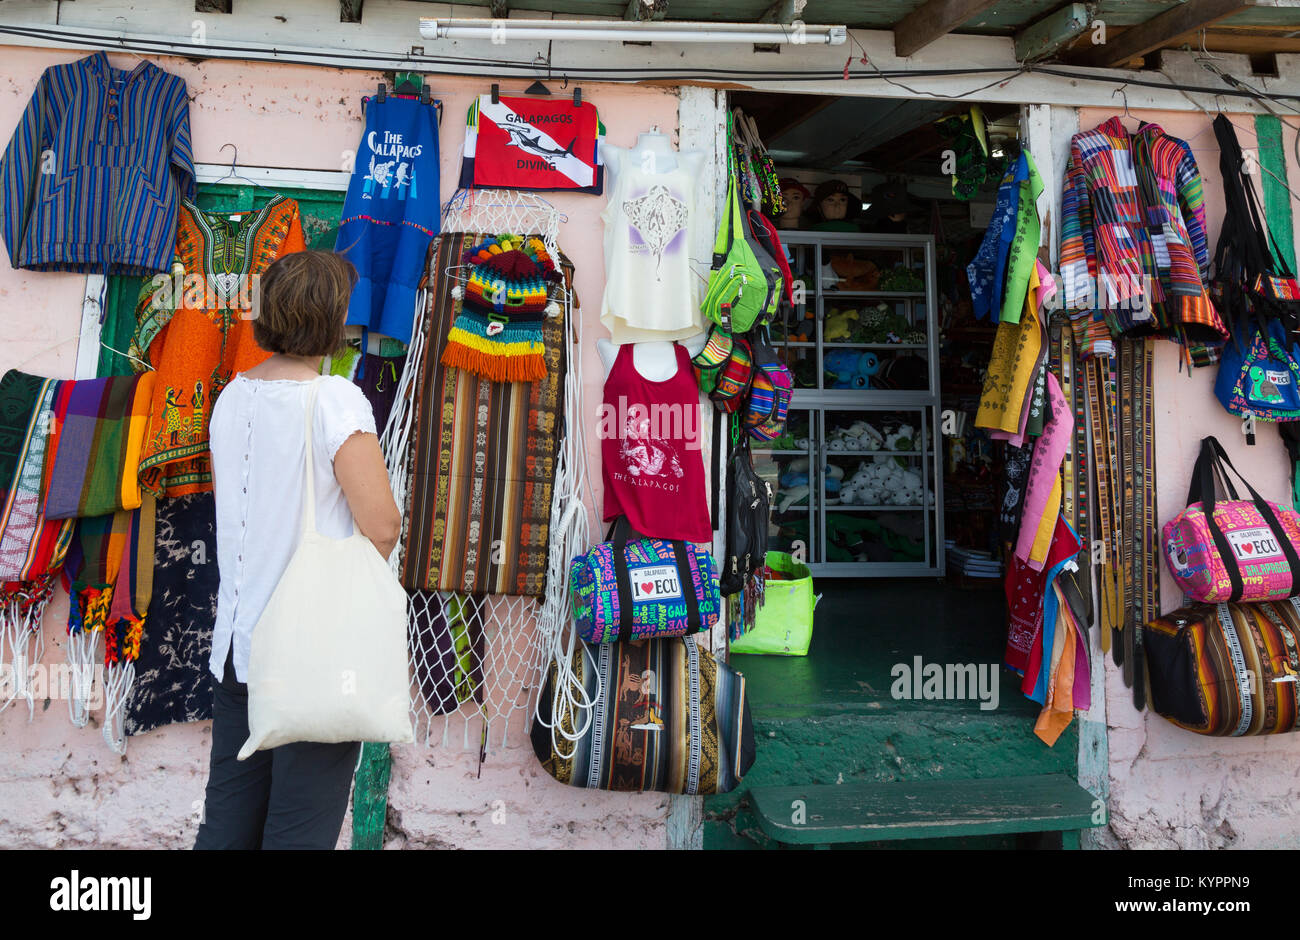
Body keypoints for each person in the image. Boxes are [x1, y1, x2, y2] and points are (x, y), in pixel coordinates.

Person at [193, 250, 402, 851]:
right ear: (332, 320)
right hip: (314, 656)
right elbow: (383, 525)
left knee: (227, 826)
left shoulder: (232, 396)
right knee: (299, 834)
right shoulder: (334, 400)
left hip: (239, 650)